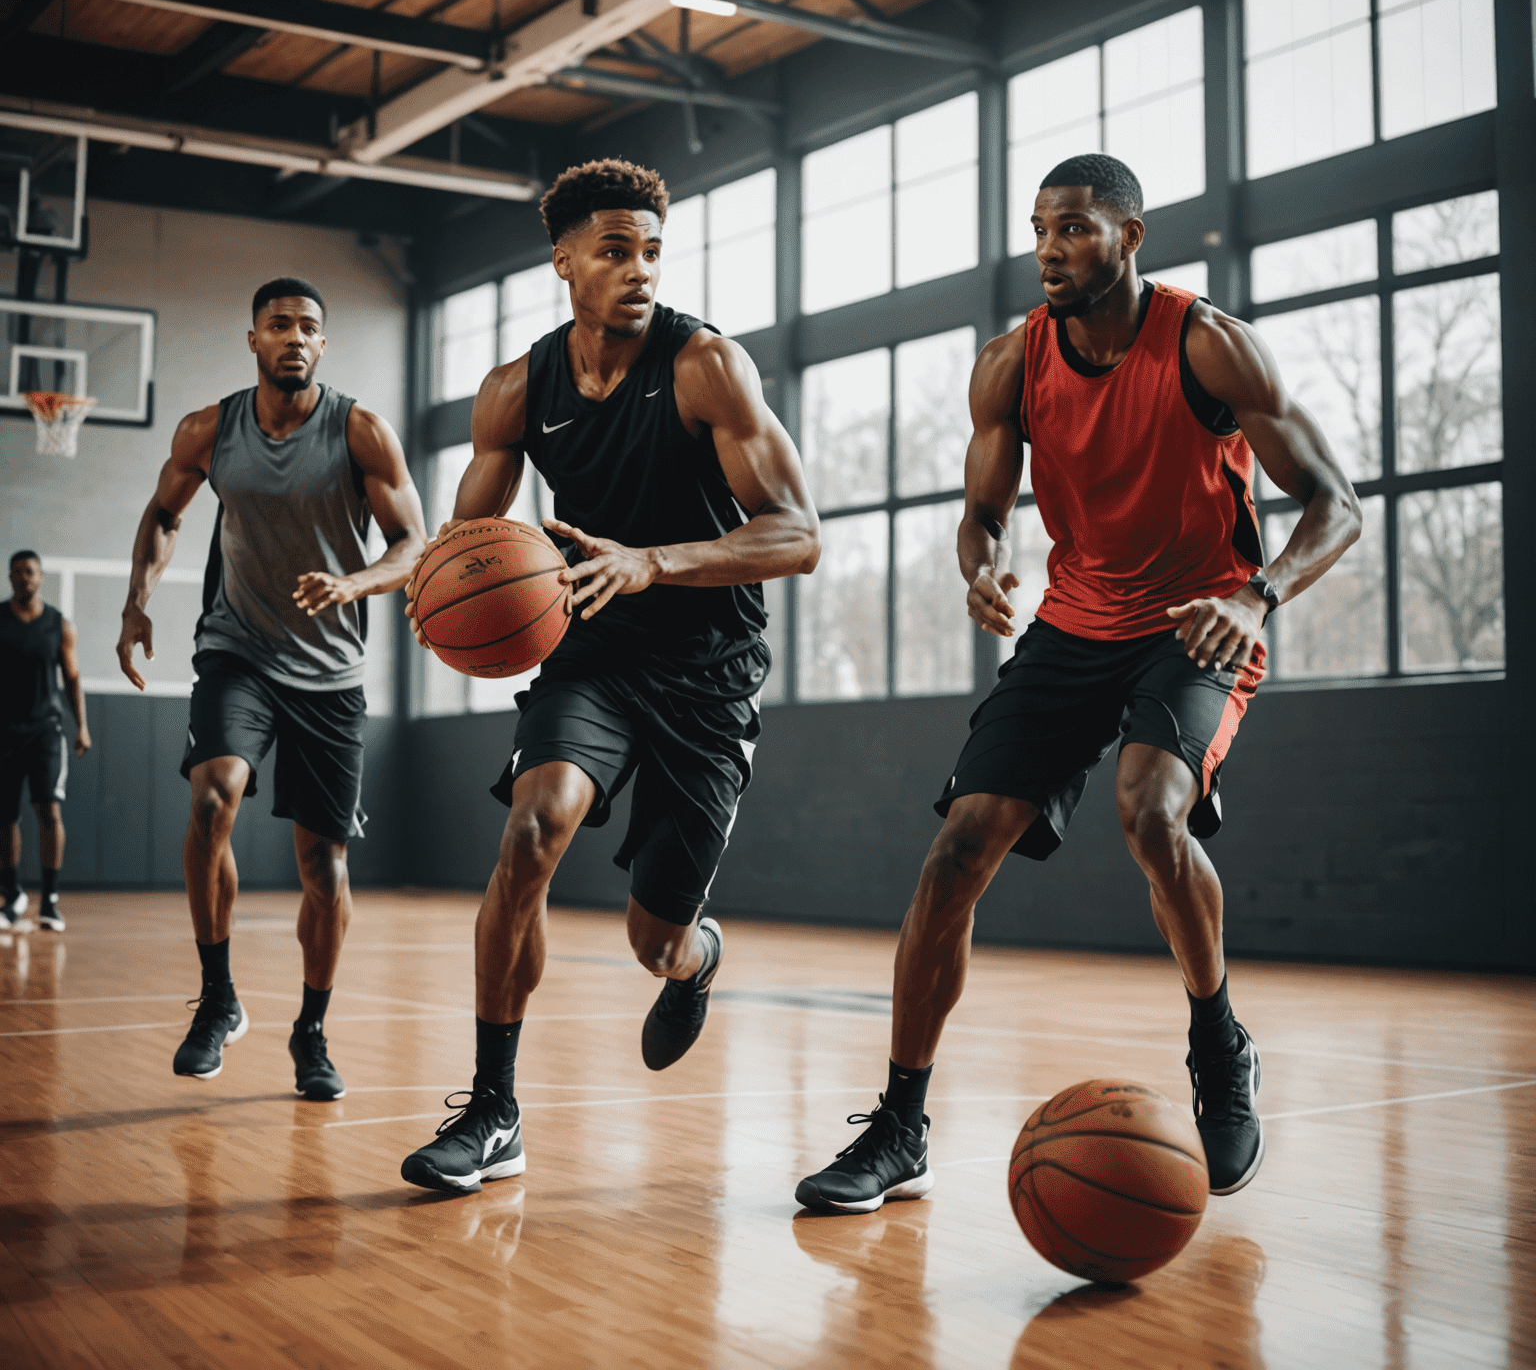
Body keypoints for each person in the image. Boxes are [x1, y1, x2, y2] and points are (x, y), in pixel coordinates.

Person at [796, 153, 1363, 1212]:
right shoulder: (1011, 362)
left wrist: (1260, 597)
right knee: (958, 847)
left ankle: (1217, 1039)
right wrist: (980, 565)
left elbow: (1336, 502)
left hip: (1198, 619)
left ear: (1130, 238)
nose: (1052, 248)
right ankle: (901, 1124)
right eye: (1040, 229)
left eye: (1076, 228)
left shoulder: (1208, 344)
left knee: (1150, 814)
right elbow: (981, 509)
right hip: (1073, 623)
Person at [399, 158, 820, 1194]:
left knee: (651, 936)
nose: (640, 270)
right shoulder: (516, 390)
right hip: (592, 645)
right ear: (564, 262)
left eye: (652, 251)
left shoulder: (706, 368)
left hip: (708, 667)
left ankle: (696, 955)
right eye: (615, 250)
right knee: (533, 828)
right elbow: (463, 542)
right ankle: (494, 1110)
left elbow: (798, 534)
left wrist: (654, 561)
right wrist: (417, 591)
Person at [116, 278, 427, 1098]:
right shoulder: (208, 430)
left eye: (310, 327)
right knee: (213, 798)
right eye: (279, 324)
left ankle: (312, 1030)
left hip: (331, 670)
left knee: (323, 867)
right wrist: (135, 603)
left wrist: (357, 586)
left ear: (324, 345)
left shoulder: (360, 430)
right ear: (252, 339)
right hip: (238, 648)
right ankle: (217, 999)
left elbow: (412, 543)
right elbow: (163, 515)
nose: (295, 336)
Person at [2, 551, 90, 932]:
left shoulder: (58, 625)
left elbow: (72, 678)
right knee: (5, 819)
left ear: (41, 578)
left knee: (49, 812)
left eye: (31, 572)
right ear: (10, 577)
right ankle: (11, 895)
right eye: (18, 572)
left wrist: (82, 726)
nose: (25, 578)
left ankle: (50, 901)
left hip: (45, 732)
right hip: (4, 733)